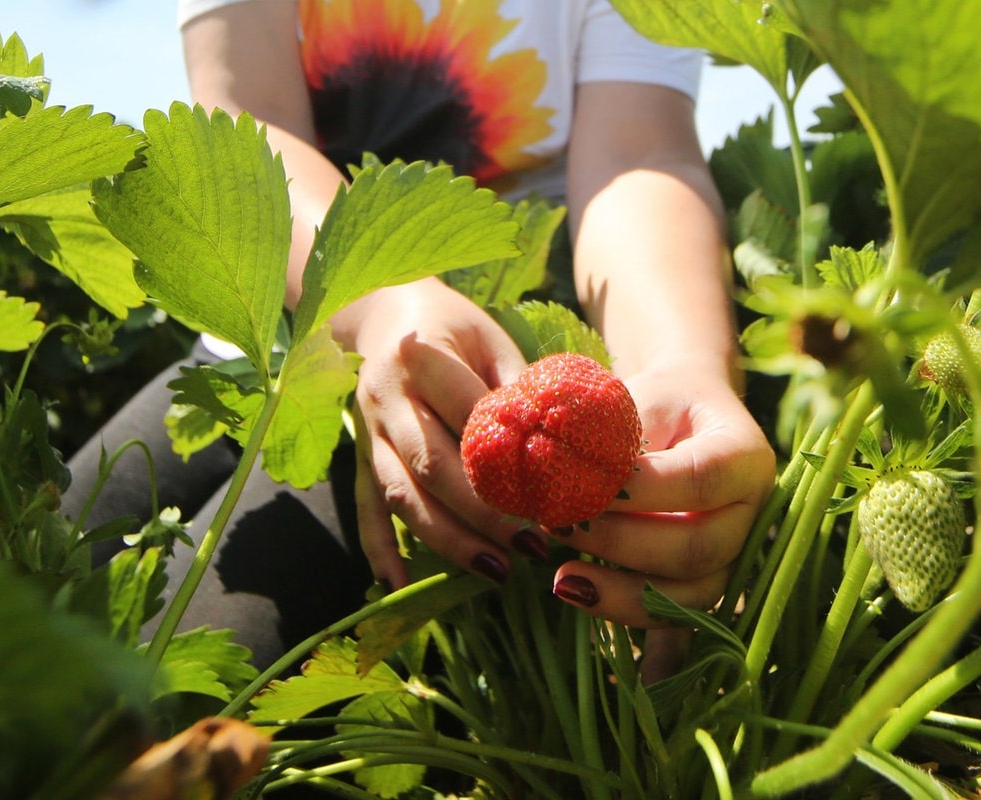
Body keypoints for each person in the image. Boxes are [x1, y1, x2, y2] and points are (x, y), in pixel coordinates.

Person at [62, 0, 777, 675]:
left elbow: (637, 157)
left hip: (472, 381)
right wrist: (378, 300)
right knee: (18, 601)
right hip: (259, 339)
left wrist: (680, 359)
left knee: (170, 690)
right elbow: (244, 124)